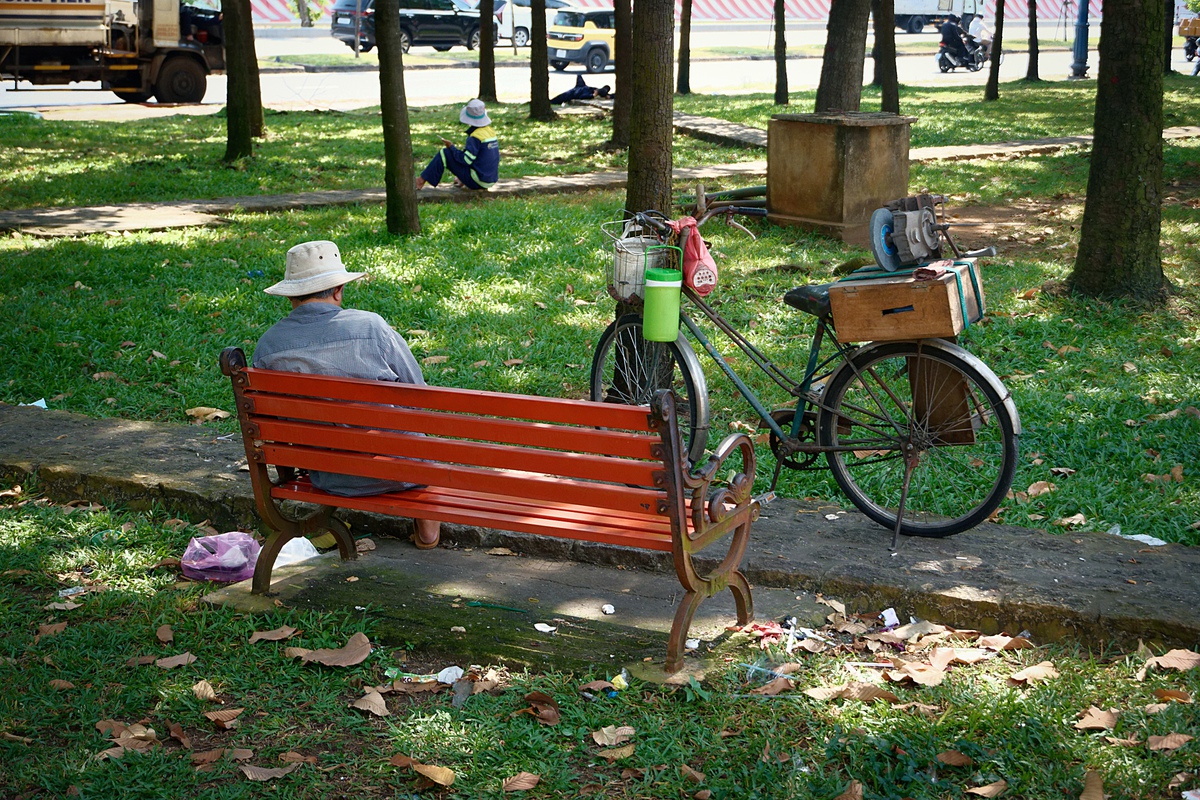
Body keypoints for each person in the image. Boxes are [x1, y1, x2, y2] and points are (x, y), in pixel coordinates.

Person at [253, 240, 442, 549]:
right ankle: (426, 527)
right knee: (413, 433)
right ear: (339, 289)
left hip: (329, 477)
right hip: (403, 470)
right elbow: (418, 396)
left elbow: (273, 421)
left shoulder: (268, 347)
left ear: (290, 295)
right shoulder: (372, 328)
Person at [415, 99, 500, 191]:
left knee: (444, 153)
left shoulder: (475, 137)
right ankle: (463, 179)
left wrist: (451, 147)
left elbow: (466, 160)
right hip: (490, 179)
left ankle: (421, 181)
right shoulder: (490, 131)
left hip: (478, 181)